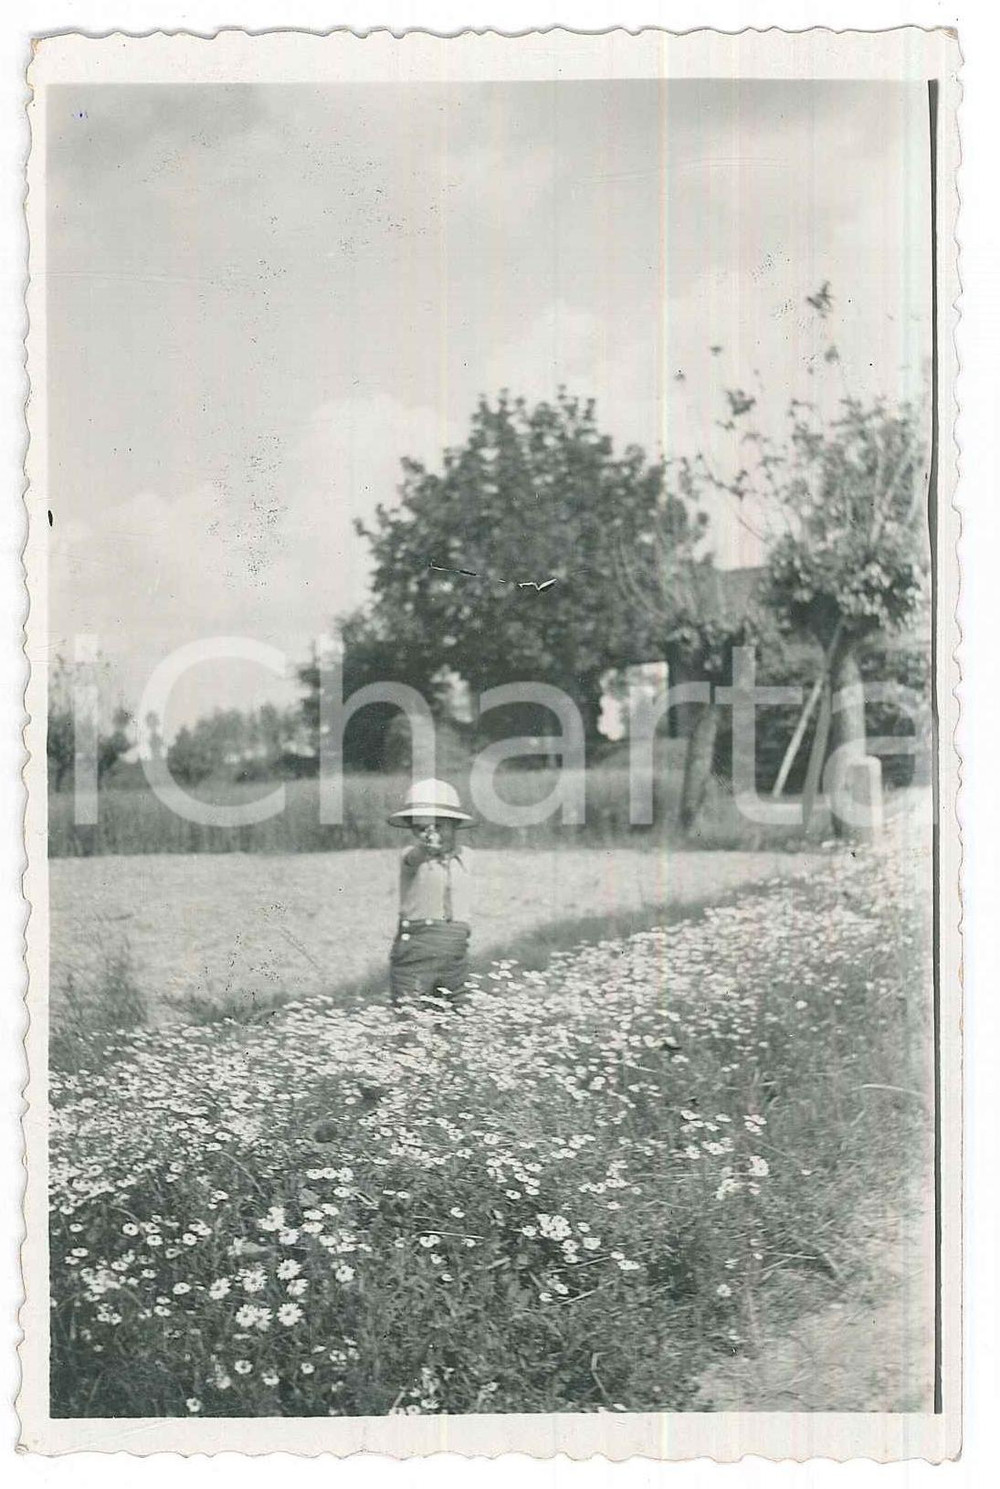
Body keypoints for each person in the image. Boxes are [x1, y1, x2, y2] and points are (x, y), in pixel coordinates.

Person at [386, 778, 473, 1008]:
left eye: (438, 826)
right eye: (421, 828)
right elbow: (413, 857)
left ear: (454, 825)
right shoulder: (411, 857)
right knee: (411, 1022)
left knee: (457, 1020)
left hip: (455, 953)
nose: (431, 834)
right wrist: (424, 849)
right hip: (417, 949)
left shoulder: (466, 857)